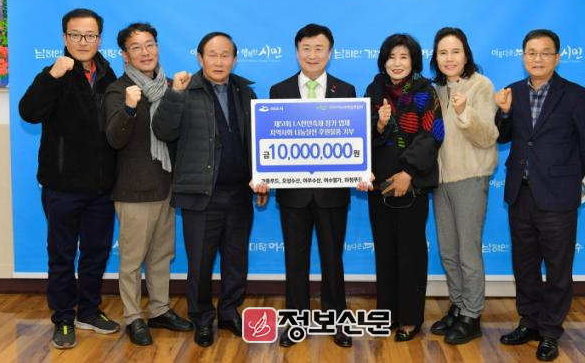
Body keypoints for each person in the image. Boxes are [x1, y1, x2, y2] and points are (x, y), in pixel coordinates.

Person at [152, 31, 267, 347]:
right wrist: (174, 94)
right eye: (212, 55)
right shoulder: (184, 90)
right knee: (200, 264)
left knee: (236, 261)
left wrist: (261, 179)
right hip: (201, 194)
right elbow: (163, 130)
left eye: (225, 55)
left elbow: (255, 141)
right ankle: (202, 318)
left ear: (235, 59)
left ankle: (229, 312)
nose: (219, 61)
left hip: (239, 194)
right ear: (200, 58)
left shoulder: (245, 92)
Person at [494, 29, 585, 361]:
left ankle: (551, 331)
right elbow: (502, 137)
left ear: (557, 57)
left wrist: (566, 175)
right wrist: (504, 112)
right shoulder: (512, 91)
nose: (537, 58)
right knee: (524, 265)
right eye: (531, 52)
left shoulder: (575, 94)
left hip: (557, 196)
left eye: (545, 53)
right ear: (523, 56)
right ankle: (529, 322)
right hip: (520, 194)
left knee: (557, 269)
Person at [19, 8, 119, 349]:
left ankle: (88, 311)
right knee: (61, 256)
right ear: (65, 37)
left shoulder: (108, 75)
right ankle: (63, 318)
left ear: (99, 39)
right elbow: (28, 112)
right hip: (62, 187)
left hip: (102, 187)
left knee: (96, 253)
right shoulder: (54, 72)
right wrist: (52, 76)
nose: (83, 41)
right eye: (76, 35)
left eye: (90, 35)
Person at [104, 23, 192, 346]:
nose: (145, 52)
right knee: (131, 260)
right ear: (124, 55)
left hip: (166, 187)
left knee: (160, 255)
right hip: (134, 190)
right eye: (136, 47)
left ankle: (159, 310)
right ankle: (132, 317)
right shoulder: (119, 90)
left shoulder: (169, 87)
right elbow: (114, 139)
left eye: (150, 44)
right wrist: (129, 107)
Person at [269, 23, 356, 348]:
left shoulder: (345, 91)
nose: (312, 55)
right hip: (293, 195)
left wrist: (359, 170)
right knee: (295, 262)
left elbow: (353, 141)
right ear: (297, 52)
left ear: (330, 53)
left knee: (333, 261)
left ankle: (338, 322)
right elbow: (271, 141)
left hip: (333, 194)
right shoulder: (279, 91)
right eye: (306, 48)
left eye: (319, 48)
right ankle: (296, 323)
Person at [364, 33, 443, 342]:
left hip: (412, 184)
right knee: (384, 252)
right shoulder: (374, 90)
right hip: (379, 184)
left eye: (403, 57)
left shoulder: (425, 91)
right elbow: (360, 135)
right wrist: (379, 124)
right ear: (383, 61)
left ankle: (410, 319)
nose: (396, 63)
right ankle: (387, 315)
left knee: (410, 253)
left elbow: (433, 134)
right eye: (391, 57)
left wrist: (408, 172)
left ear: (414, 61)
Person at [427, 27, 499, 344]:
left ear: (466, 54)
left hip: (470, 177)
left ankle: (472, 314)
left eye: (455, 51)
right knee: (448, 251)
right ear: (435, 57)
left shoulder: (481, 85)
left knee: (468, 252)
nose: (449, 58)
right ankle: (457, 305)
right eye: (443, 52)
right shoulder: (435, 90)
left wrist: (463, 112)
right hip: (440, 180)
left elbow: (488, 136)